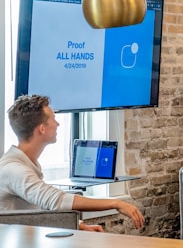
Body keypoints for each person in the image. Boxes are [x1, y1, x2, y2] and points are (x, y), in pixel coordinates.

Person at [0, 95, 145, 232]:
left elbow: (36, 207)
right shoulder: (14, 169)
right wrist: (116, 203)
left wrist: (80, 225)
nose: (57, 124)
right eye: (54, 119)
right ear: (42, 129)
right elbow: (56, 201)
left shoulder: (26, 163)